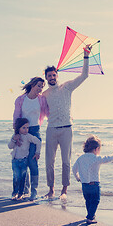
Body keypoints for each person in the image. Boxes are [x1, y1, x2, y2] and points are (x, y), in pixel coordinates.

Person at [43, 44, 92, 198]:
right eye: (49, 76)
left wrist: (86, 56)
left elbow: (84, 75)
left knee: (66, 162)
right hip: (51, 129)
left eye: (54, 75)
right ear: (46, 78)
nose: (52, 77)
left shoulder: (67, 87)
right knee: (49, 162)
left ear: (57, 75)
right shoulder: (44, 94)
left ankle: (64, 190)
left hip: (66, 129)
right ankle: (51, 190)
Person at [13, 77, 49, 200]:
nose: (40, 88)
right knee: (23, 161)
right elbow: (16, 117)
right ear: (32, 85)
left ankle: (34, 190)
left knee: (33, 161)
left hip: (35, 131)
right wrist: (16, 133)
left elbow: (47, 113)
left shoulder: (42, 99)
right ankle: (24, 190)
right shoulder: (20, 99)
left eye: (42, 86)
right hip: (22, 131)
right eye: (39, 85)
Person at [72, 135, 113, 224]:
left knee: (88, 201)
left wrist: (77, 177)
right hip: (94, 185)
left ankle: (90, 215)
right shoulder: (96, 158)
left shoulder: (80, 158)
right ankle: (90, 218)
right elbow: (107, 158)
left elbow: (74, 169)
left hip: (84, 185)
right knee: (95, 201)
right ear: (96, 149)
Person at [8, 118, 42, 200]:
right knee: (16, 177)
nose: (26, 130)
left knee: (23, 178)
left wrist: (37, 152)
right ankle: (14, 193)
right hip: (15, 161)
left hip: (24, 161)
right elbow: (10, 146)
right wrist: (14, 139)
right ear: (18, 128)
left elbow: (38, 142)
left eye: (27, 128)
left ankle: (21, 194)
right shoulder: (15, 136)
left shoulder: (28, 136)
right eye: (24, 127)